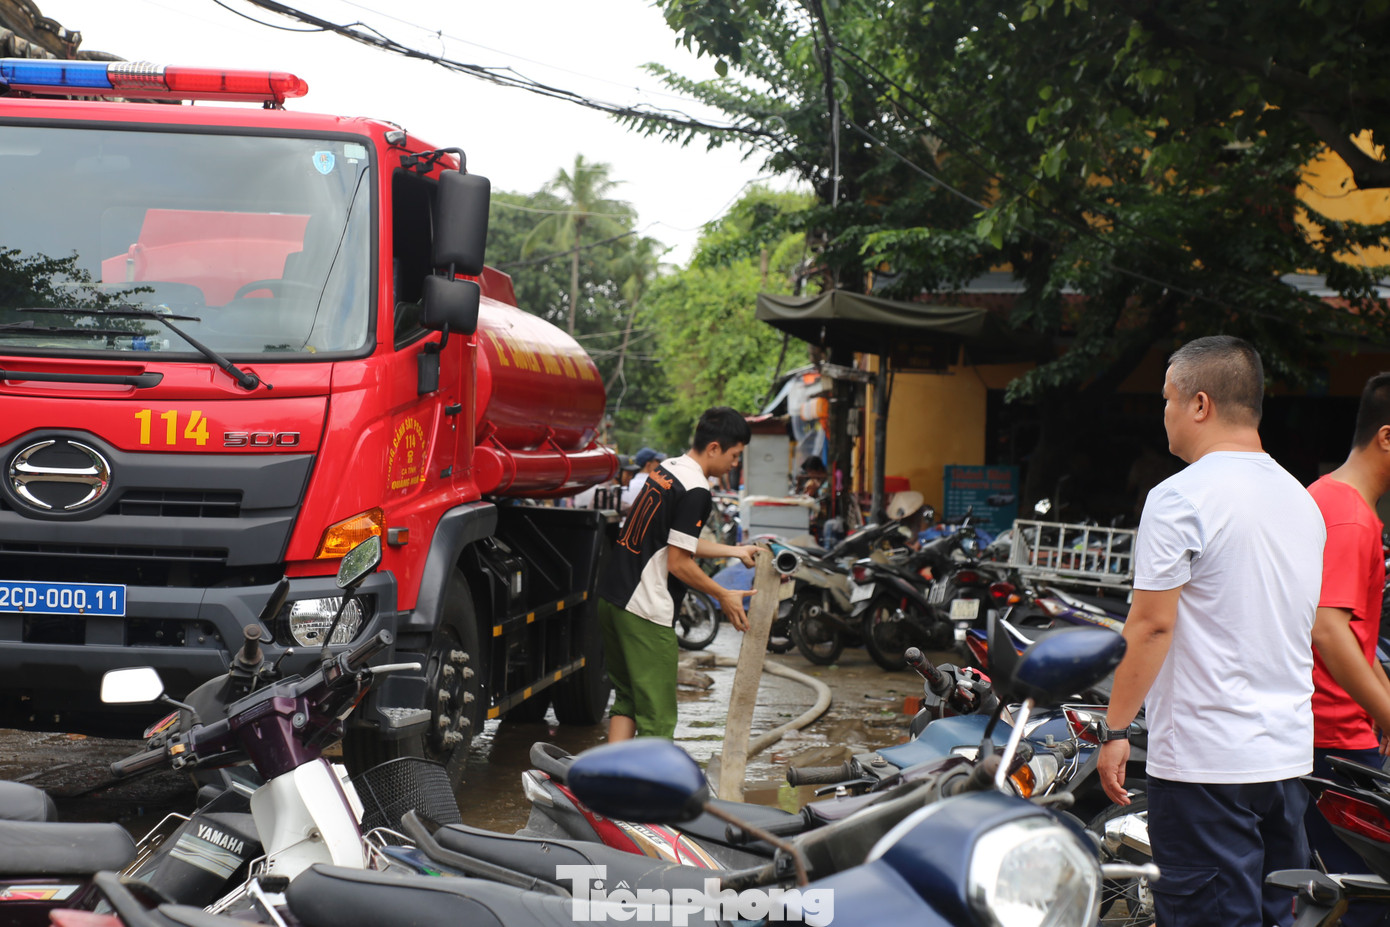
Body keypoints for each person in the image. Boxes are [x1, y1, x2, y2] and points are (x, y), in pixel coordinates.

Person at [1097, 336, 1326, 927]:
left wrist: (1115, 727)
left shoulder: (1180, 497)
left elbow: (1150, 626)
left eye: (1167, 400)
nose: (1164, 414)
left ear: (1199, 404)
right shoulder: (1301, 500)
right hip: (1285, 759)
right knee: (1278, 913)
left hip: (1207, 766)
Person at [596, 409, 761, 741]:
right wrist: (723, 594)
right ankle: (648, 792)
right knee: (657, 719)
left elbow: (673, 540)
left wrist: (735, 551)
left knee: (626, 701)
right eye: (734, 455)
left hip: (613, 597)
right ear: (714, 448)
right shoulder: (697, 489)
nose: (734, 464)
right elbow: (677, 562)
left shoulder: (667, 469)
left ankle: (610, 788)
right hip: (645, 607)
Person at [1305, 372, 1390, 923]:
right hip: (1335, 742)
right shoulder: (1351, 517)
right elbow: (1328, 630)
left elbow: (1359, 640)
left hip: (1333, 734)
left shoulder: (1329, 498)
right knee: (1357, 899)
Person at [620, 446, 663, 514]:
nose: (659, 464)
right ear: (648, 464)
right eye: (657, 461)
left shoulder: (629, 483)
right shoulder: (656, 484)